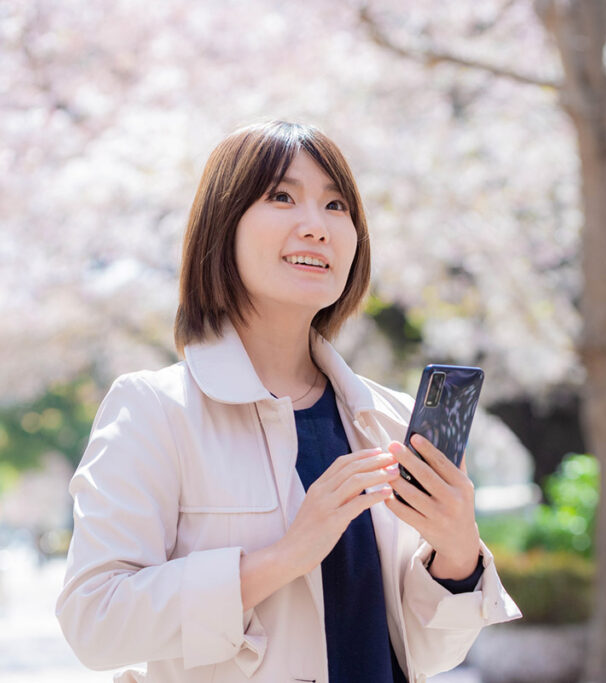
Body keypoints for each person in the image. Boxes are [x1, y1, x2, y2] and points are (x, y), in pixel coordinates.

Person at [55, 121, 521, 683]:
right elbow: (94, 622)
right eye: (281, 196)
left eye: (336, 205)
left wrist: (456, 555)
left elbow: (424, 652)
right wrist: (282, 560)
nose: (316, 227)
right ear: (221, 226)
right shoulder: (154, 410)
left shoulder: (389, 418)